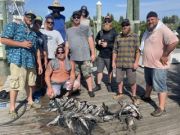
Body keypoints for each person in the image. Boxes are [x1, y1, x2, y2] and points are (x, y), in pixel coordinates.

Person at [1, 11, 42, 118]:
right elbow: (3, 39)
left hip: (30, 61)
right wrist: (21, 44)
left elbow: (36, 49)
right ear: (24, 17)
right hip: (17, 60)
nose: (30, 18)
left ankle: (30, 101)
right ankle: (12, 108)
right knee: (15, 84)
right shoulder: (14, 26)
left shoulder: (33, 33)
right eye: (28, 16)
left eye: (32, 17)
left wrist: (39, 64)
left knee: (30, 83)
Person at [139, 11, 179, 117]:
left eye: (152, 19)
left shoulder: (162, 29)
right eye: (148, 20)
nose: (150, 21)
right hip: (148, 63)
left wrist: (165, 55)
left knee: (160, 85)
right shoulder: (148, 30)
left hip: (159, 65)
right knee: (149, 82)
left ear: (157, 19)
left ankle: (161, 107)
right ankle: (147, 96)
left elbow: (174, 41)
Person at [65, 11, 96, 97]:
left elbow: (90, 40)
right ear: (72, 18)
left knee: (87, 74)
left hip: (85, 56)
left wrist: (93, 53)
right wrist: (66, 56)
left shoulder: (86, 28)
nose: (76, 18)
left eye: (78, 17)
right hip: (73, 57)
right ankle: (75, 89)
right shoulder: (68, 30)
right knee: (74, 74)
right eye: (74, 17)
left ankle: (90, 90)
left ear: (80, 18)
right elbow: (67, 44)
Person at [112, 19, 140, 104]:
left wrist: (136, 62)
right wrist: (113, 61)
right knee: (119, 80)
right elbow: (115, 50)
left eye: (126, 25)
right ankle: (120, 93)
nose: (124, 26)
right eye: (123, 25)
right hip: (119, 63)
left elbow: (138, 51)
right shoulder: (118, 37)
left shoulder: (135, 36)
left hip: (131, 63)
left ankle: (134, 95)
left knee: (132, 81)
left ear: (129, 26)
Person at [93, 15, 117, 92]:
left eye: (108, 21)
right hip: (101, 55)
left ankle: (109, 84)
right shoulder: (100, 32)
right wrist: (98, 41)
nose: (106, 22)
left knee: (110, 71)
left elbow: (117, 44)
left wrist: (108, 45)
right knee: (99, 71)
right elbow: (96, 39)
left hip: (110, 56)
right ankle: (98, 85)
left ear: (111, 22)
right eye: (105, 21)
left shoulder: (114, 32)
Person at [32, 16, 48, 101]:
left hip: (41, 59)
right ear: (33, 22)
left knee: (40, 76)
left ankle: (39, 91)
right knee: (32, 77)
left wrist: (45, 60)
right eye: (36, 22)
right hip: (31, 59)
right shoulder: (29, 33)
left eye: (40, 23)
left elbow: (44, 49)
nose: (38, 24)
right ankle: (32, 94)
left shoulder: (42, 35)